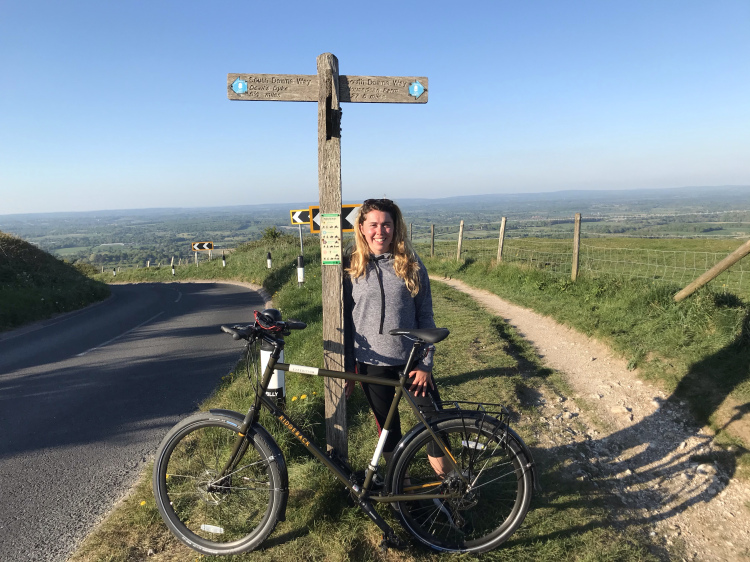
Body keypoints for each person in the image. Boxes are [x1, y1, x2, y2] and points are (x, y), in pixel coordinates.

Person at [344, 198, 449, 476]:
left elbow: (426, 317)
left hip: (411, 363)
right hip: (370, 363)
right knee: (388, 431)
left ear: (395, 227)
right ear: (362, 228)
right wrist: (347, 368)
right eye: (374, 225)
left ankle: (452, 486)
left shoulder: (411, 265)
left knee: (434, 426)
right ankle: (398, 487)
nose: (381, 231)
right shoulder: (349, 266)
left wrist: (426, 364)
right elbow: (343, 320)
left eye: (387, 224)